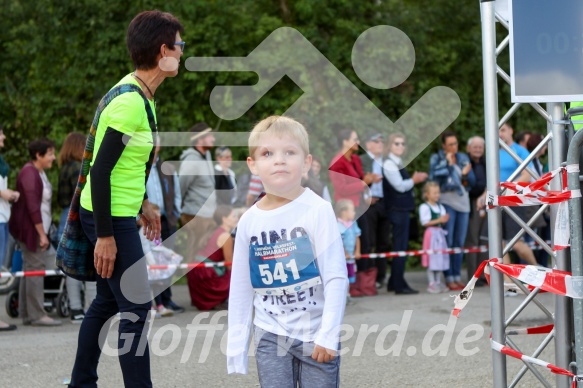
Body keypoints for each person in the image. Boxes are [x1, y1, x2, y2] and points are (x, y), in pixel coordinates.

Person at [68, 11, 183, 387]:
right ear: (163, 50)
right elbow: (100, 172)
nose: (182, 54)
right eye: (180, 46)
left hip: (119, 212)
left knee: (106, 302)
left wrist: (143, 205)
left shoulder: (143, 97)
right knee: (136, 307)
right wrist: (105, 235)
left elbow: (125, 169)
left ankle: (80, 382)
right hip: (107, 218)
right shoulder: (130, 102)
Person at [227, 116, 348, 384]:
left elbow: (336, 277)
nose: (279, 160)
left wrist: (328, 335)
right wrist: (236, 347)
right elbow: (241, 286)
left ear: (306, 163)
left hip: (315, 334)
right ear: (253, 165)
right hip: (269, 335)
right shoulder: (248, 221)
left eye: (289, 152)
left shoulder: (318, 210)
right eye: (267, 153)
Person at [9, 138, 60, 326]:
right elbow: (32, 206)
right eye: (50, 154)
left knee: (29, 269)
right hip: (31, 230)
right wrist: (41, 234)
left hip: (34, 229)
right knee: (35, 269)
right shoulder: (29, 173)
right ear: (38, 155)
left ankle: (27, 313)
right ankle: (37, 314)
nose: (53, 158)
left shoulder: (38, 172)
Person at [329, 128, 380, 296]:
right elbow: (341, 188)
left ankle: (362, 283)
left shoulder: (356, 159)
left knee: (366, 241)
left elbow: (360, 182)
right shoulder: (337, 162)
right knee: (348, 243)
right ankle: (351, 284)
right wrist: (363, 182)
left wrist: (369, 181)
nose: (358, 142)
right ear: (345, 141)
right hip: (346, 209)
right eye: (354, 138)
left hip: (360, 205)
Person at [57, 132, 97, 323]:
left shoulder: (63, 168)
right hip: (80, 213)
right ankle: (91, 307)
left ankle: (75, 309)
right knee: (89, 261)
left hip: (65, 214)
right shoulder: (78, 169)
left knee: (71, 266)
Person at [429, 130, 475, 291]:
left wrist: (464, 176)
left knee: (459, 243)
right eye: (450, 144)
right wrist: (447, 165)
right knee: (447, 242)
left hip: (463, 204)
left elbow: (472, 181)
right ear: (444, 146)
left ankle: (456, 276)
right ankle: (448, 277)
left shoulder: (463, 157)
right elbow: (434, 180)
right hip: (447, 203)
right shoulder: (437, 158)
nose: (454, 147)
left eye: (455, 143)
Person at [383, 132, 427, 295]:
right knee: (400, 247)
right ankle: (398, 284)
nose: (401, 146)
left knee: (401, 247)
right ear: (390, 146)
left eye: (402, 143)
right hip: (397, 210)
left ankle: (394, 282)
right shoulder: (389, 164)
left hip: (401, 210)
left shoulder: (397, 162)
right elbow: (400, 186)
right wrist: (414, 181)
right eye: (397, 143)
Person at [145, 135, 184, 313]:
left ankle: (166, 299)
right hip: (147, 222)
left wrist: (175, 213)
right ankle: (156, 301)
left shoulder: (167, 168)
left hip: (167, 220)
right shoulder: (140, 167)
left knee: (166, 260)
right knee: (151, 262)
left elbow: (176, 192)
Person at [498, 123, 538, 269]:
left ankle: (537, 270)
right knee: (498, 243)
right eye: (497, 131)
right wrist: (484, 195)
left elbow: (527, 175)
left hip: (514, 201)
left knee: (517, 244)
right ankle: (508, 284)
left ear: (511, 130)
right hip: (497, 200)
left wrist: (508, 187)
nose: (500, 134)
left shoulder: (520, 151)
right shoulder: (494, 152)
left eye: (503, 130)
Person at [187, 205, 237, 310]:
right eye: (233, 216)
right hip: (206, 274)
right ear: (224, 219)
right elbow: (230, 264)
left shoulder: (213, 230)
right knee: (237, 274)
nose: (236, 219)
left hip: (195, 272)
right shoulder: (225, 236)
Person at [179, 122, 217, 259]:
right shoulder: (191, 162)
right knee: (194, 254)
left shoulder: (206, 156)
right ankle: (192, 281)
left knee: (205, 254)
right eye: (210, 136)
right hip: (195, 216)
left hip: (207, 215)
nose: (213, 138)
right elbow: (180, 188)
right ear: (200, 139)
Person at [360, 132, 391, 289]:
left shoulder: (387, 161)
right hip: (369, 204)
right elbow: (357, 180)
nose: (380, 143)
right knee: (368, 241)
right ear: (368, 144)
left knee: (384, 241)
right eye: (376, 141)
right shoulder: (361, 160)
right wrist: (366, 196)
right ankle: (367, 277)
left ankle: (381, 276)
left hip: (384, 203)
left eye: (381, 141)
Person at [0, 126, 19, 331]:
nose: (3, 136)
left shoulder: (1, 162)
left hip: (3, 218)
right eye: (0, 133)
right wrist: (5, 193)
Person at [464, 136, 488, 286]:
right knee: (472, 239)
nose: (478, 149)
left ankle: (484, 274)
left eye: (480, 147)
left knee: (484, 239)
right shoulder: (465, 163)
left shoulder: (486, 162)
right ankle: (473, 276)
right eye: (475, 147)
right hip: (472, 203)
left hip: (486, 202)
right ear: (468, 148)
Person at [419, 181, 450, 294]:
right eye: (434, 193)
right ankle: (432, 283)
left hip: (439, 234)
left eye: (438, 192)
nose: (437, 195)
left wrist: (444, 220)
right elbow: (425, 222)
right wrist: (440, 220)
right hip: (431, 234)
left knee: (439, 257)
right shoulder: (424, 207)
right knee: (432, 258)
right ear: (427, 194)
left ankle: (438, 281)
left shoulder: (440, 207)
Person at [335, 199, 361, 302]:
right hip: (341, 258)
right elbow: (339, 241)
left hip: (350, 257)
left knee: (350, 275)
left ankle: (348, 294)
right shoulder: (337, 225)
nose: (354, 213)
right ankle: (341, 297)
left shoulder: (353, 223)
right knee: (341, 276)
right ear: (344, 212)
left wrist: (357, 251)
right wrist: (344, 253)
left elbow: (357, 237)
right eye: (352, 210)